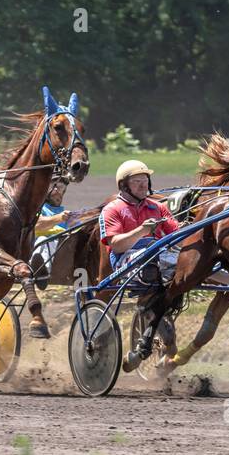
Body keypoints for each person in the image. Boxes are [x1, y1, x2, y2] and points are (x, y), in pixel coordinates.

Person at [99, 159, 180, 372]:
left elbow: (177, 235)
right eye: (137, 182)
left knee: (187, 264)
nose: (144, 185)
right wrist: (142, 231)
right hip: (126, 259)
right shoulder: (113, 210)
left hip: (158, 256)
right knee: (151, 263)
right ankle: (151, 308)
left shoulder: (158, 208)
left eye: (146, 181)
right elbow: (116, 245)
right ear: (124, 185)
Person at [30, 177, 74, 287]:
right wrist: (58, 218)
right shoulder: (38, 208)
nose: (58, 192)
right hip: (38, 250)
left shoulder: (68, 215)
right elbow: (36, 226)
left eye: (62, 188)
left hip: (64, 258)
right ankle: (41, 273)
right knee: (43, 239)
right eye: (55, 187)